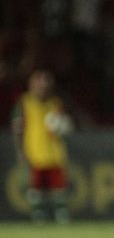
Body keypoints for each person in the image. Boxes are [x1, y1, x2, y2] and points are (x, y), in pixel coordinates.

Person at [10, 69, 73, 223]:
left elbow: (66, 126)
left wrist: (64, 127)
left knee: (59, 189)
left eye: (46, 84)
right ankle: (39, 218)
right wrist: (19, 151)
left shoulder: (56, 103)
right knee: (36, 190)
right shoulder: (24, 103)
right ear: (32, 85)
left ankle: (61, 218)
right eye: (40, 84)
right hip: (34, 153)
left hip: (55, 154)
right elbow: (17, 129)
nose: (43, 88)